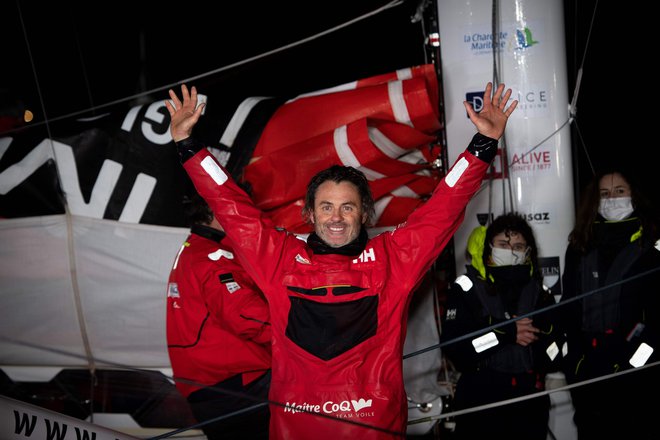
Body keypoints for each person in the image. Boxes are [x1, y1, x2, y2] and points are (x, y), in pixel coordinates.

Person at [165, 81, 517, 439]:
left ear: (364, 213)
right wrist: (188, 146)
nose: (336, 218)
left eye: (347, 207)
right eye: (326, 207)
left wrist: (483, 145)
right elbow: (228, 202)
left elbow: (445, 205)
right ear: (310, 214)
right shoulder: (279, 259)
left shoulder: (393, 259)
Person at [440, 212, 563, 440]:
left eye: (518, 245)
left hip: (529, 404)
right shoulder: (467, 289)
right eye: (503, 244)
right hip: (480, 403)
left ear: (528, 251)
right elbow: (456, 350)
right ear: (489, 247)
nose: (511, 251)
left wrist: (538, 342)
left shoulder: (540, 293)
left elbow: (556, 349)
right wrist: (506, 333)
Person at [560, 168, 660, 439]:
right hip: (589, 370)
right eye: (604, 194)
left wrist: (633, 365)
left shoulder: (653, 247)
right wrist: (576, 363)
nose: (612, 199)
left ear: (634, 197)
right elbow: (568, 307)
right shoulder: (579, 245)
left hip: (637, 374)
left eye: (619, 192)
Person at [166, 191, 271, 439]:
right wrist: (300, 333)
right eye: (239, 208)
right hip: (235, 383)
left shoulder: (193, 248)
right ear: (215, 211)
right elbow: (247, 317)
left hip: (209, 385)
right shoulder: (213, 259)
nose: (244, 216)